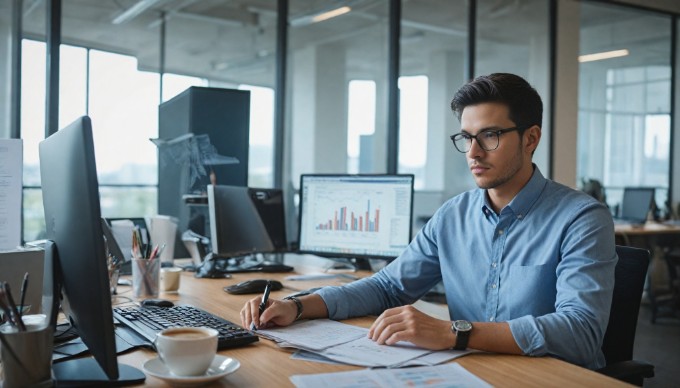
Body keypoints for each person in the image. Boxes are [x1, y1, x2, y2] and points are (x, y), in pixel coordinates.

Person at [241, 73, 617, 369]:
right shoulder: (454, 215)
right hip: (473, 369)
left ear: (530, 138)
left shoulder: (581, 218)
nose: (473, 152)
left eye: (490, 136)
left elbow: (581, 332)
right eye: (466, 137)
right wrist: (298, 306)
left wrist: (453, 332)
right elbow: (388, 288)